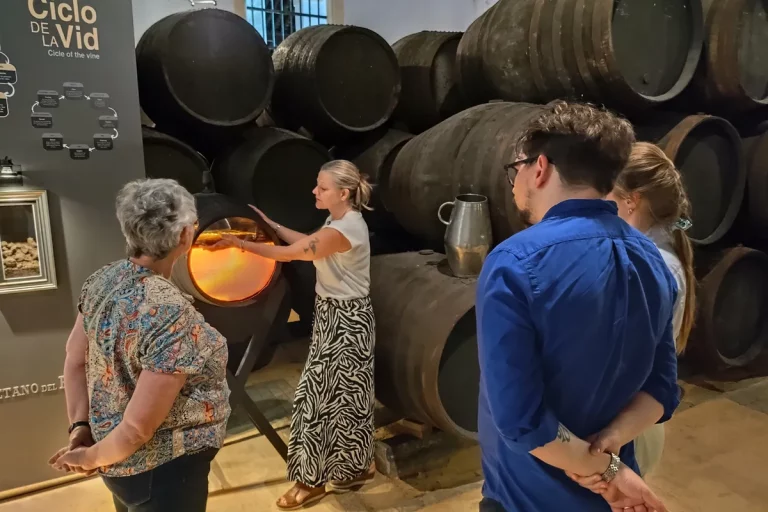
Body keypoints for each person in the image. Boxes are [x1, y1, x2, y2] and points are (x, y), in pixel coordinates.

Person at [476, 101, 679, 511]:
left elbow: (521, 421)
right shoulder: (652, 260)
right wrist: (611, 449)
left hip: (526, 498)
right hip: (611, 498)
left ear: (540, 167)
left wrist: (604, 469)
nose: (515, 184)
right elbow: (661, 389)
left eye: (516, 170)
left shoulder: (513, 263)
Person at [48, 179, 231, 512]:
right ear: (185, 237)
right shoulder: (171, 313)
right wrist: (88, 459)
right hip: (164, 471)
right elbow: (135, 429)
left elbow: (75, 360)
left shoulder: (103, 279)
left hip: (117, 458)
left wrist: (80, 426)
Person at [211, 159, 376, 510]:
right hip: (342, 316)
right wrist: (271, 224)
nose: (315, 191)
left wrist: (239, 244)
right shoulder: (340, 222)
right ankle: (354, 468)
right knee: (348, 397)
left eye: (322, 187)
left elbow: (292, 254)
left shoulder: (344, 229)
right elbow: (309, 242)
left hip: (346, 322)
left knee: (314, 400)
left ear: (343, 193)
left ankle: (309, 482)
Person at [567, 142, 695, 487]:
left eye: (605, 193)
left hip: (628, 422)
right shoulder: (658, 251)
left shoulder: (648, 265)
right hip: (638, 418)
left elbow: (618, 356)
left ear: (631, 201)